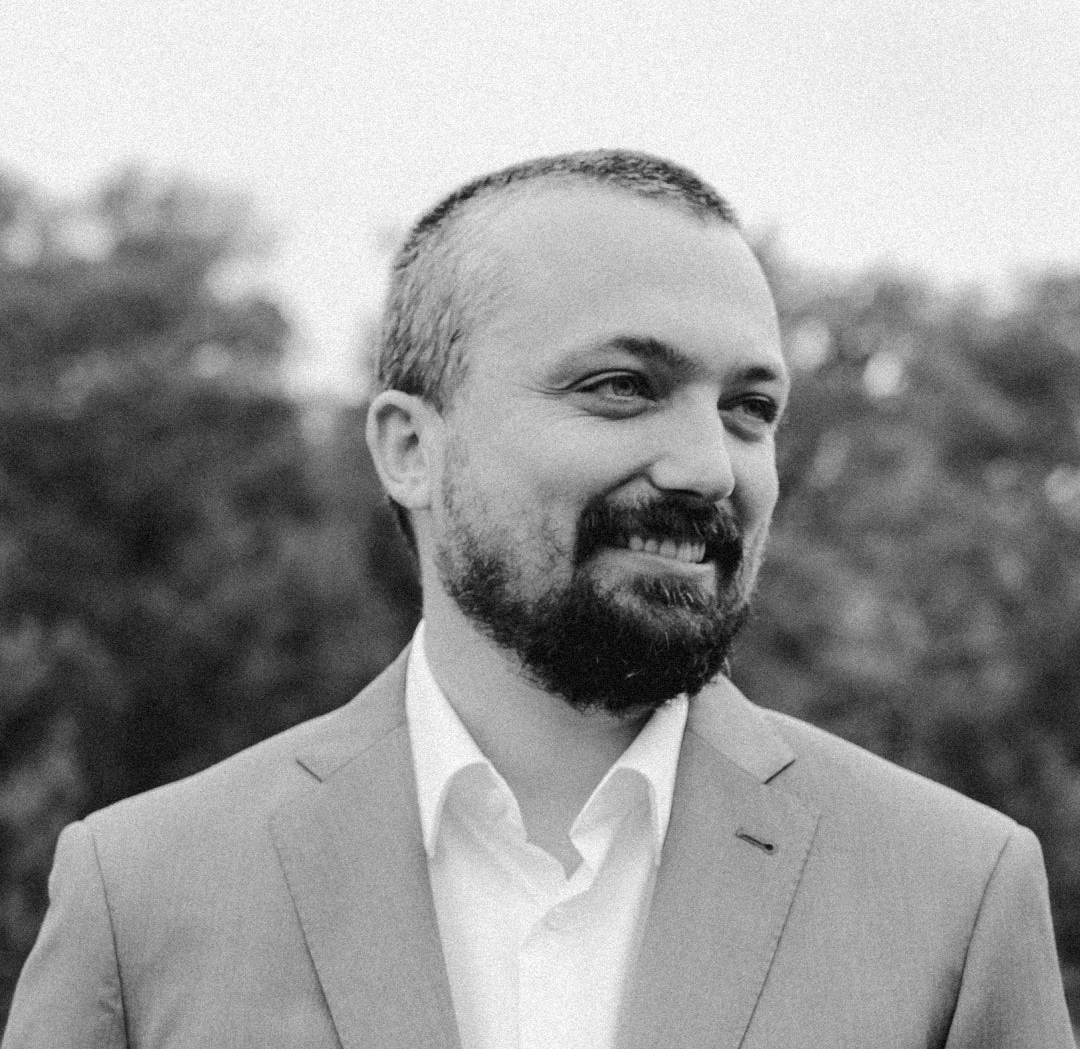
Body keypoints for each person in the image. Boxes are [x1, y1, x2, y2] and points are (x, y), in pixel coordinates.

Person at [3, 150, 1073, 1049]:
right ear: (411, 449)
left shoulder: (957, 897)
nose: (710, 467)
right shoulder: (142, 898)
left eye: (750, 408)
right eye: (623, 387)